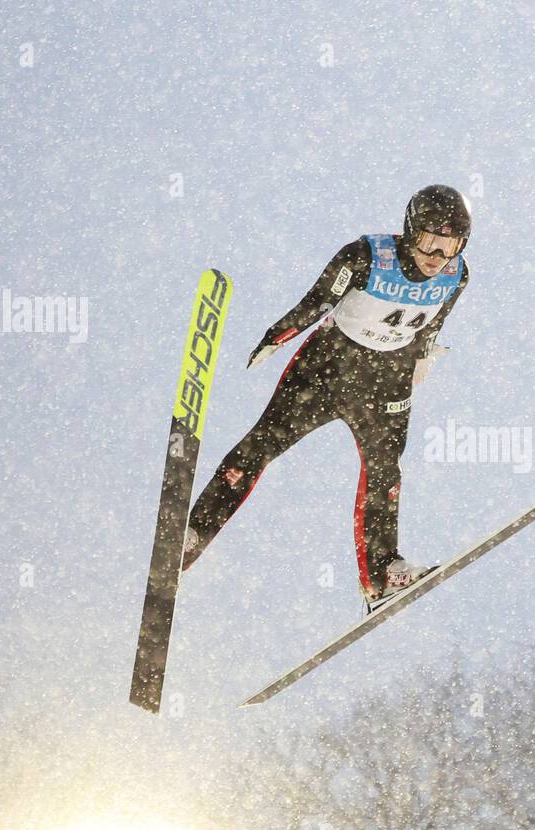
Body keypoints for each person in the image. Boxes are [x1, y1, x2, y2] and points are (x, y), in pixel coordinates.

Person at [180, 185, 471, 604]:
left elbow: (435, 319)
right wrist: (276, 336)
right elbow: (318, 301)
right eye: (429, 242)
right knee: (260, 446)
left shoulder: (457, 273)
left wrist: (423, 354)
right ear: (410, 230)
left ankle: (383, 573)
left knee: (385, 471)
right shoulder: (367, 255)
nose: (437, 257)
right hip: (327, 369)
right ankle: (192, 536)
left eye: (450, 247)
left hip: (387, 381)